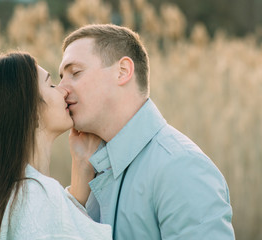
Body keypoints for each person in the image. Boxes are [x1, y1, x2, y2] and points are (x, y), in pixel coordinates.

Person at [59, 24, 235, 239]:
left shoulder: (182, 168)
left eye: (75, 72)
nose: (62, 88)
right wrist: (80, 179)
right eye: (60, 77)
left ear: (122, 71)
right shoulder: (91, 169)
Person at [0, 52, 112, 240]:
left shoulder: (7, 199)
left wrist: (82, 164)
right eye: (51, 84)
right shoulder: (37, 198)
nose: (63, 91)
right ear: (32, 113)